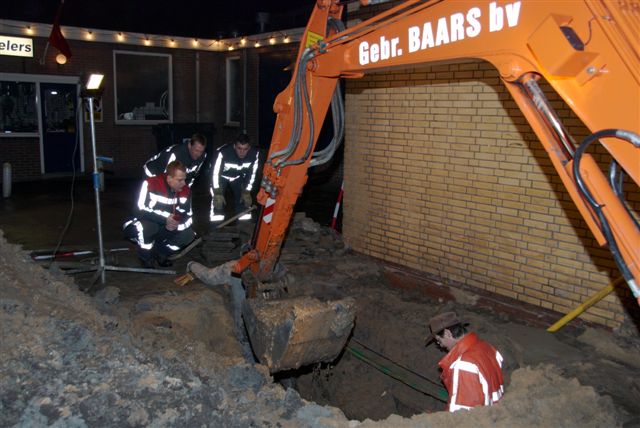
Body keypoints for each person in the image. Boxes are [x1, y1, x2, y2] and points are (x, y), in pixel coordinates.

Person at [426, 311, 504, 412]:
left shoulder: (464, 365)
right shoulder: (487, 347)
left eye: (439, 341)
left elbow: (462, 416)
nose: (441, 345)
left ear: (448, 333)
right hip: (492, 413)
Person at [123, 160, 195, 268]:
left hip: (165, 227)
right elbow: (139, 210)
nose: (183, 183)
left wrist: (176, 225)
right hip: (138, 224)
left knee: (188, 235)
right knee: (149, 227)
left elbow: (189, 216)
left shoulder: (185, 191)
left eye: (184, 179)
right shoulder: (150, 184)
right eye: (180, 180)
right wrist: (165, 219)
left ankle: (161, 253)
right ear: (169, 178)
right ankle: (146, 257)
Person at [209, 133, 259, 224]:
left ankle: (244, 229)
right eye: (239, 148)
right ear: (234, 146)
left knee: (244, 202)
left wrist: (247, 191)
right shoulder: (223, 152)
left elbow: (252, 174)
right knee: (218, 202)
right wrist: (217, 192)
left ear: (249, 148)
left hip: (238, 177)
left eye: (245, 149)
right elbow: (215, 173)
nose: (242, 152)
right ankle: (215, 230)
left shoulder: (254, 154)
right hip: (221, 178)